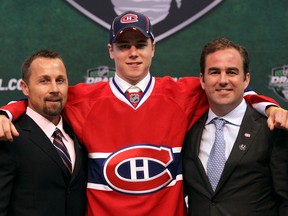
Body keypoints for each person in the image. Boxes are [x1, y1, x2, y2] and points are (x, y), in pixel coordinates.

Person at [0, 11, 287, 216]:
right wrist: (6, 113)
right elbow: (38, 101)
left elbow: (229, 91)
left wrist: (269, 106)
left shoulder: (182, 93)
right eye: (124, 46)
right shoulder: (82, 98)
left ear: (153, 48)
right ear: (111, 51)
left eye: (141, 45)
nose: (133, 53)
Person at [182, 38, 288, 216]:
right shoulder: (188, 129)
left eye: (231, 72)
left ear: (246, 79)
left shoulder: (271, 129)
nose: (223, 80)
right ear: (202, 79)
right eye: (214, 72)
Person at [0, 50, 87, 216]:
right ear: (25, 88)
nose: (54, 89)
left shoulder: (78, 132)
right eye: (44, 81)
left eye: (60, 80)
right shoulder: (7, 135)